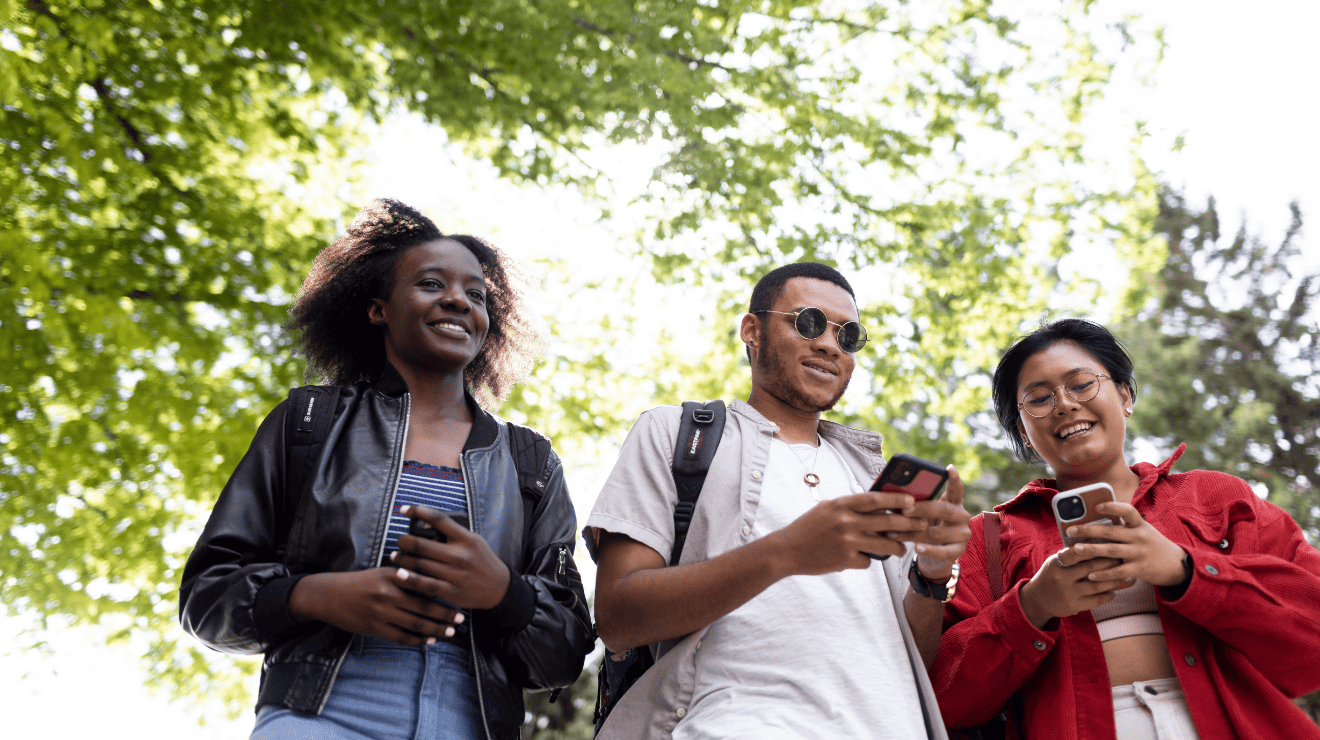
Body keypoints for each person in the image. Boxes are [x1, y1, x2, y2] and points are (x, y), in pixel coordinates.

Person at [178, 198, 593, 740]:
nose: (458, 301)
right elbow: (208, 596)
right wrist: (320, 595)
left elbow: (563, 653)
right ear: (378, 308)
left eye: (476, 295)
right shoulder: (308, 423)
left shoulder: (530, 463)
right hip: (317, 720)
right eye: (430, 284)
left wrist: (502, 591)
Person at [586, 262, 972, 739]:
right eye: (808, 322)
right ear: (752, 330)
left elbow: (909, 651)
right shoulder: (676, 434)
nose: (830, 344)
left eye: (848, 336)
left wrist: (931, 577)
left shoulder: (870, 476)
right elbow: (619, 618)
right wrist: (787, 553)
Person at [932, 318, 1320, 739]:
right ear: (1024, 435)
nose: (1063, 404)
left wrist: (1184, 569)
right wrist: (1032, 606)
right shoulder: (987, 539)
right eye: (1039, 399)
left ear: (1124, 395)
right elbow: (945, 698)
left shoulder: (1217, 498)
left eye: (1080, 385)